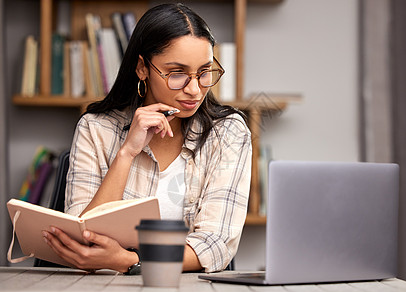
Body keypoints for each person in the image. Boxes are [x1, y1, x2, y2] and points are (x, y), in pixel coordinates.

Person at [41, 3, 252, 274]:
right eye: (177, 73)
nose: (194, 89)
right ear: (143, 68)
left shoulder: (227, 133)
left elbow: (215, 244)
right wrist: (127, 153)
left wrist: (131, 261)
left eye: (204, 72)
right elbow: (82, 239)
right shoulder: (95, 129)